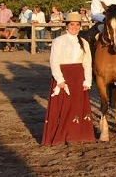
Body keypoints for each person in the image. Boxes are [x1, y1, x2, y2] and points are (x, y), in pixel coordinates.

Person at [41, 12, 96, 146]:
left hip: (78, 76)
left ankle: (74, 135)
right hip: (64, 76)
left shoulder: (84, 43)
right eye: (72, 24)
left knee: (76, 106)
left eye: (77, 25)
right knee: (62, 107)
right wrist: (59, 79)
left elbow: (87, 63)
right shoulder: (58, 41)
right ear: (67, 26)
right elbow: (54, 61)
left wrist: (87, 80)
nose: (75, 27)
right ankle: (60, 136)